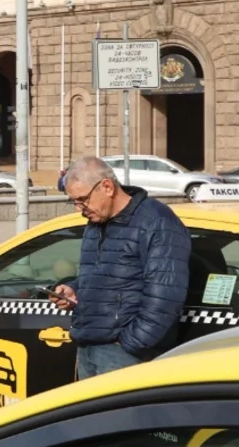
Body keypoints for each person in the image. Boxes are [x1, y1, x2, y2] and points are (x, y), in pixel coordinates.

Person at [50, 156, 192, 379]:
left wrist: (130, 343)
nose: (79, 208)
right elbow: (105, 275)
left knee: (120, 415)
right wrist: (75, 289)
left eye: (82, 199)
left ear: (107, 187)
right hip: (89, 344)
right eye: (74, 202)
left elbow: (164, 297)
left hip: (124, 352)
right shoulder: (96, 222)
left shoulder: (156, 222)